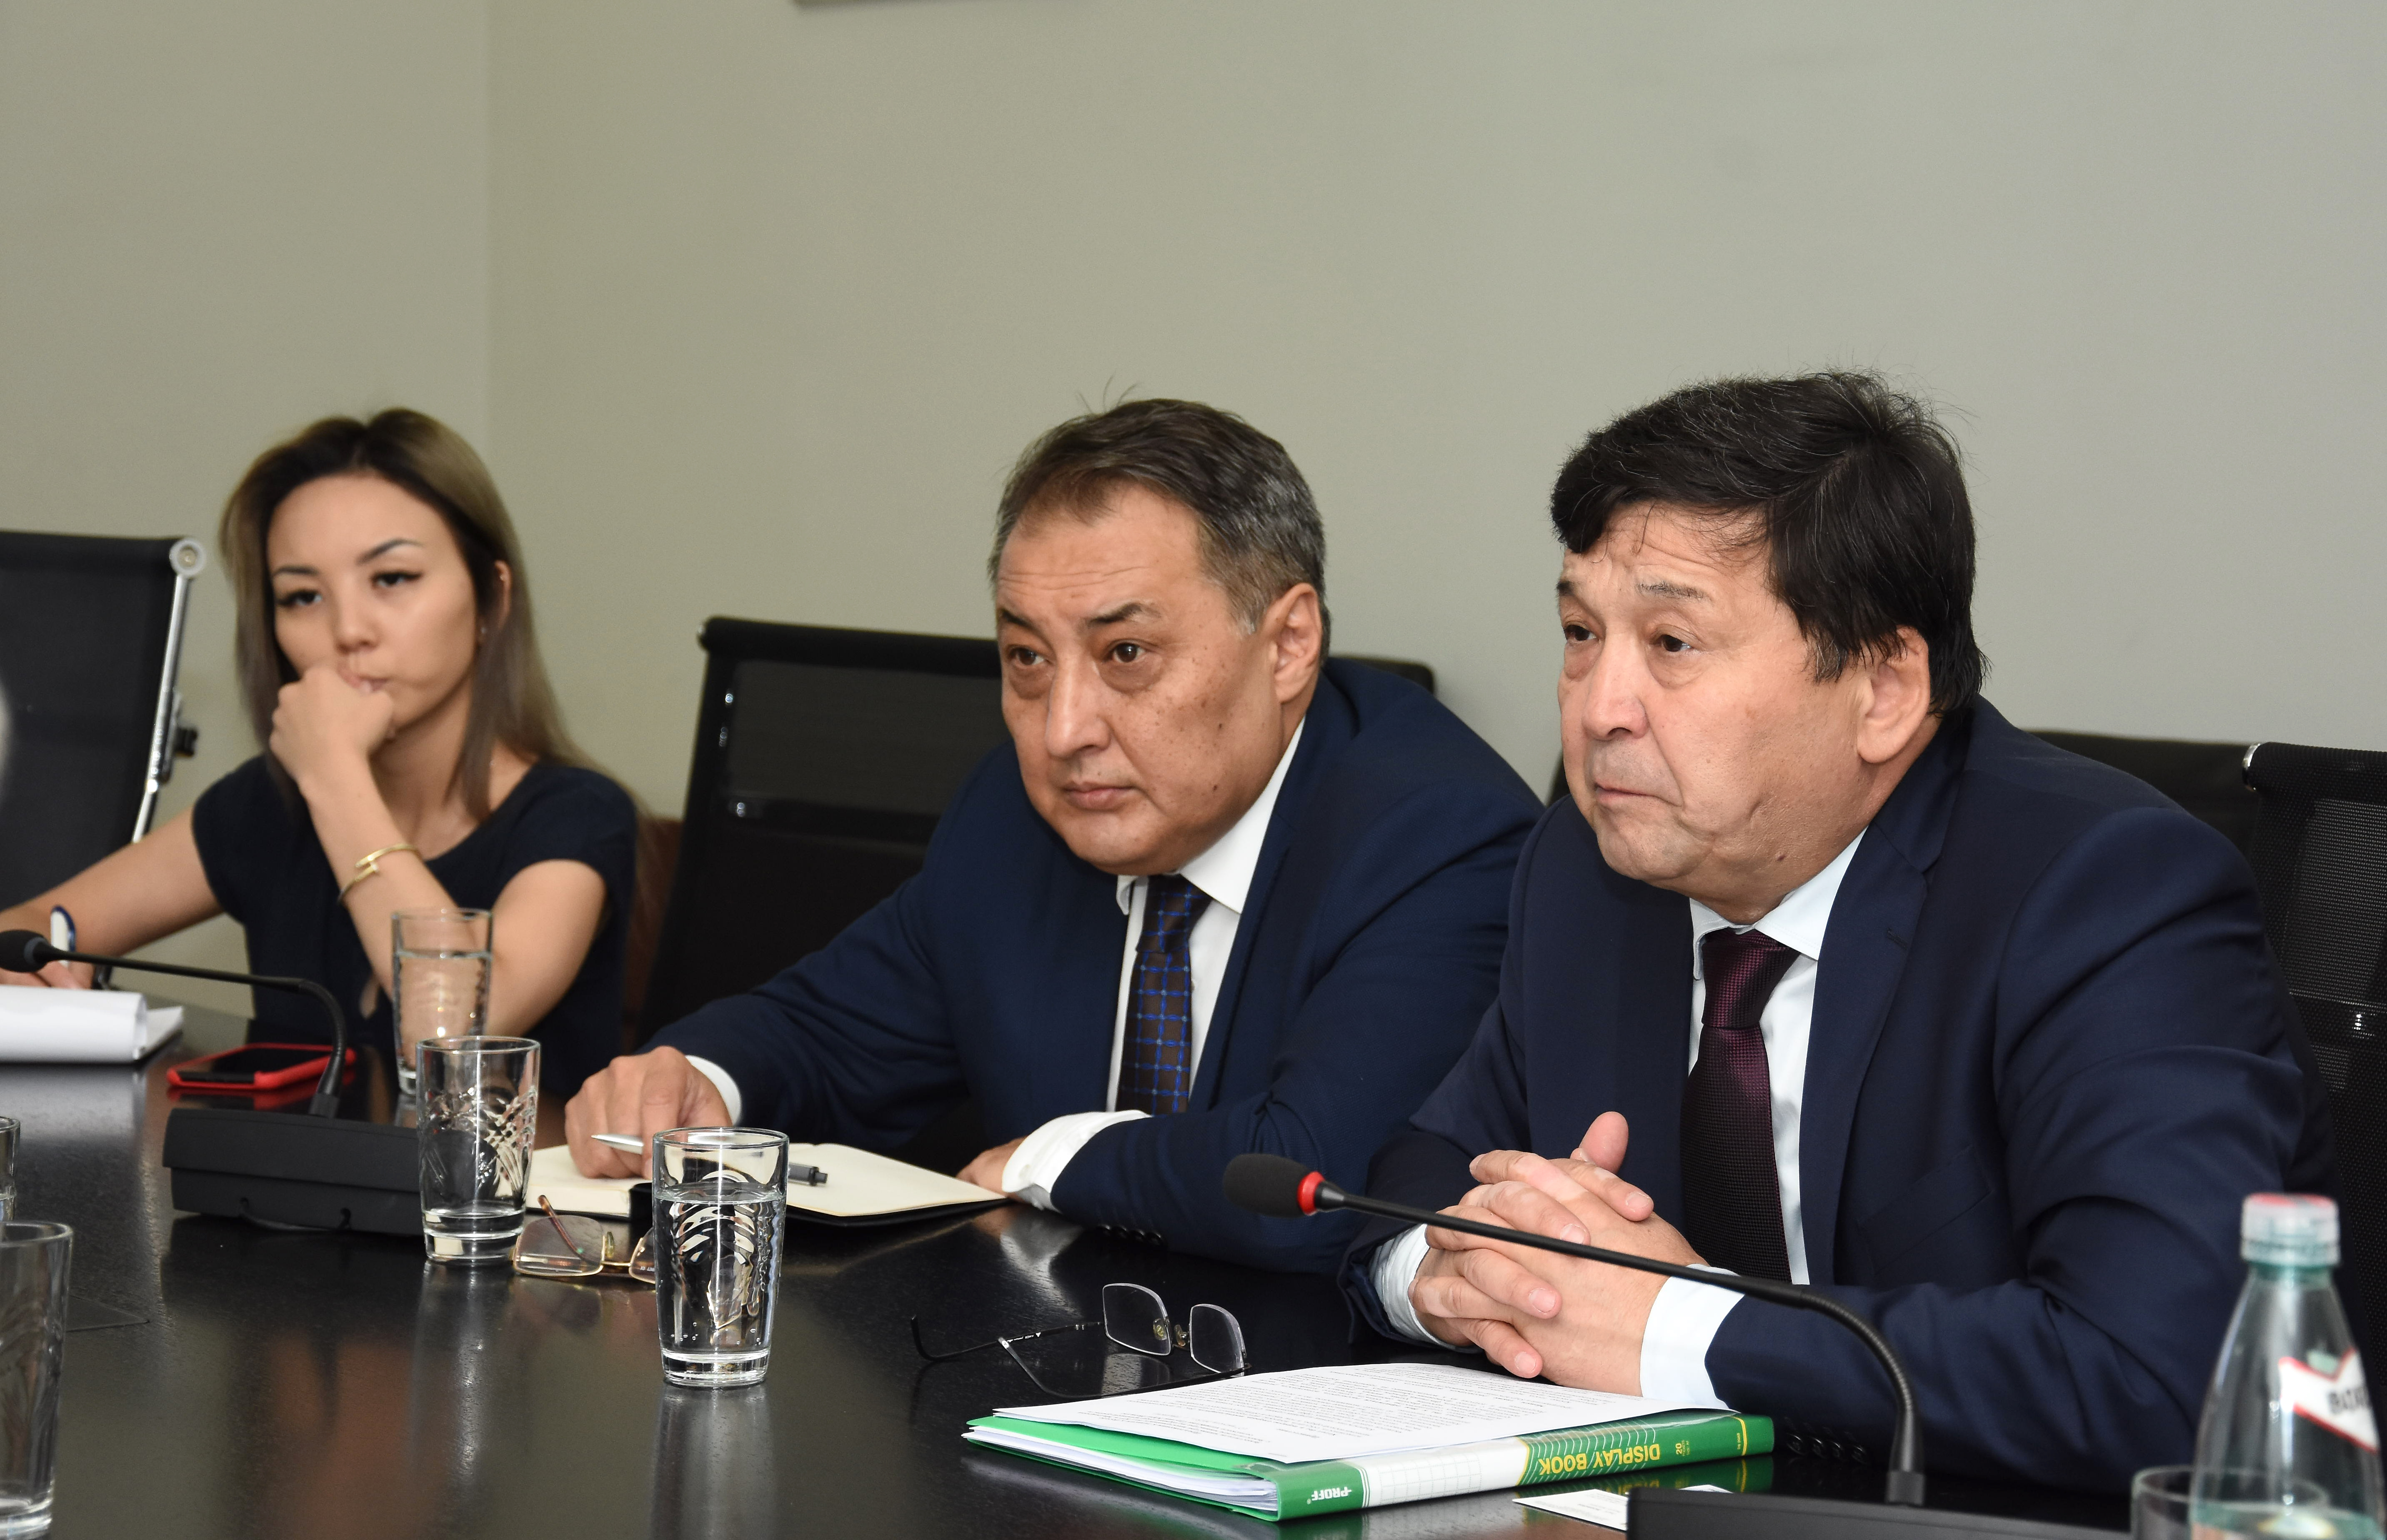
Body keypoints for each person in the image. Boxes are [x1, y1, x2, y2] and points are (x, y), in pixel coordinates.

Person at [1344, 373, 2337, 1490]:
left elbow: (2155, 1378)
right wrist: (1438, 1277)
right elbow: (1426, 1166)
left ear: (1884, 690)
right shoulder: (1587, 864)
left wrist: (1672, 1323)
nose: (1598, 707)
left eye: (1671, 642)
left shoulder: (2107, 893)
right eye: (1581, 632)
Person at [566, 399, 1540, 1272]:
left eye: (1126, 653)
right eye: (1027, 658)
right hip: (1041, 1360)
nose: (1063, 728)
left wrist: (1050, 1158)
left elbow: (1314, 1187)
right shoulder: (1017, 814)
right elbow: (829, 1034)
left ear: (1287, 646)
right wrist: (696, 1080)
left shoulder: (1434, 839)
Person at [0, 410, 637, 1097]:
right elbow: (28, 926)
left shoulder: (578, 814)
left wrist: (333, 772)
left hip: (509, 1172)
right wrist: (35, 961)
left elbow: (452, 1035)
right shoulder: (265, 804)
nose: (348, 630)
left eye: (392, 578)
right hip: (290, 1173)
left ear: (492, 599)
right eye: (303, 596)